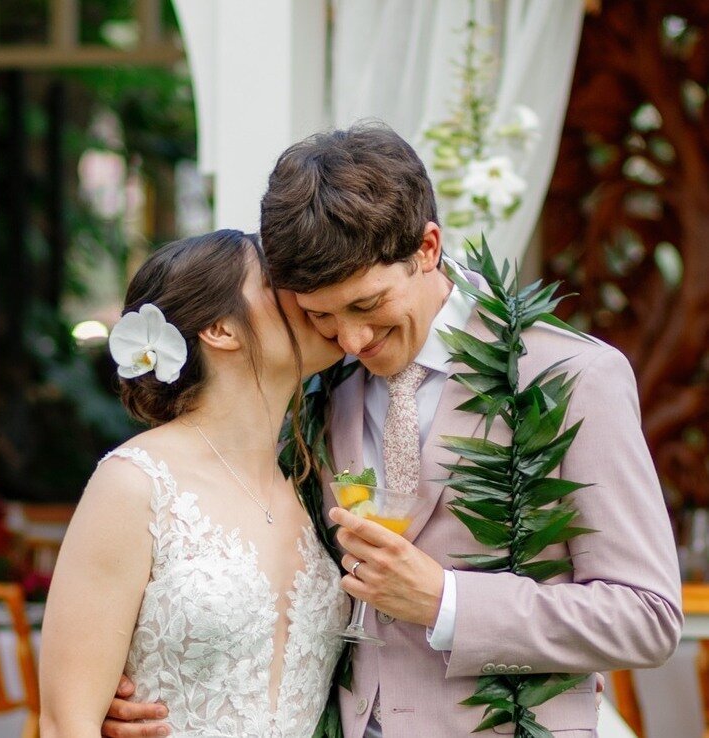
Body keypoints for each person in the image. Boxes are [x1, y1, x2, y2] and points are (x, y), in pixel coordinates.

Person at [103, 124, 682, 738]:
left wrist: (446, 602)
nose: (351, 340)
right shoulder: (311, 382)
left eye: (366, 305)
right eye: (320, 314)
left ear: (427, 247)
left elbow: (646, 618)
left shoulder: (573, 376)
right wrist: (155, 682)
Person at [39, 229, 350, 738]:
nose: (307, 293)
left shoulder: (313, 480)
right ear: (221, 328)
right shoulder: (135, 484)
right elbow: (64, 722)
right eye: (277, 282)